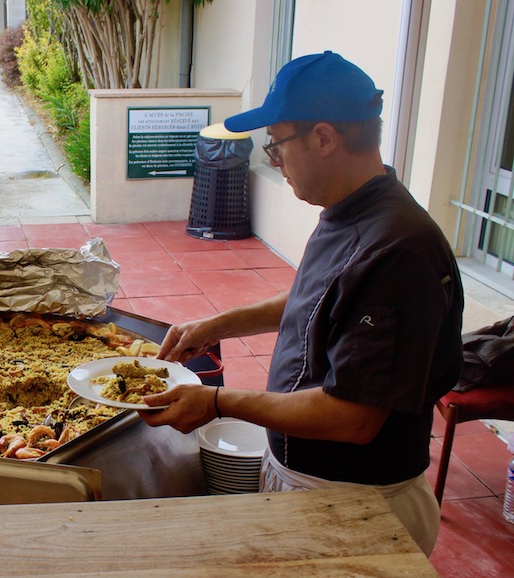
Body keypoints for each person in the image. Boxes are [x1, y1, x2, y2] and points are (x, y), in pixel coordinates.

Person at [138, 51, 463, 556]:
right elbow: (320, 297)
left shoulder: (399, 250)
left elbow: (353, 417)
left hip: (358, 506)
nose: (274, 161)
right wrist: (215, 324)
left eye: (276, 145)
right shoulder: (349, 210)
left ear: (325, 138)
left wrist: (218, 402)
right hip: (313, 486)